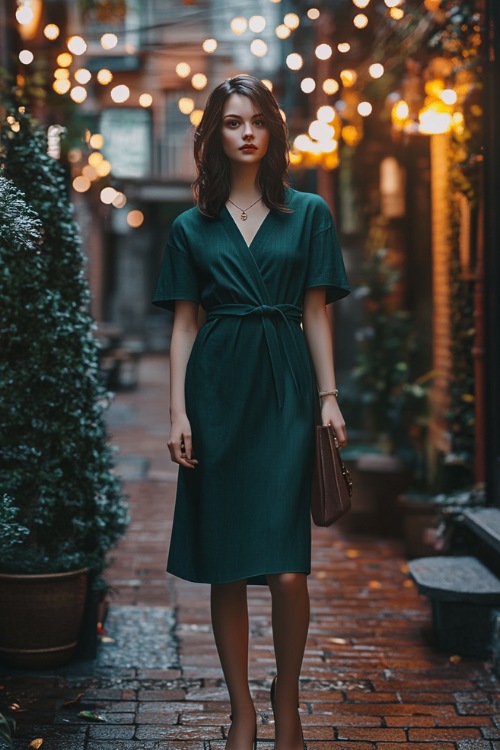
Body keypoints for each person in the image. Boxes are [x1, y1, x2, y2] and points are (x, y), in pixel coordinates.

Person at [153, 75, 350, 750]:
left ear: (272, 131)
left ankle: (285, 697)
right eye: (233, 122)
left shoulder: (309, 213)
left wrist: (328, 397)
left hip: (286, 390)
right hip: (215, 391)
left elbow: (317, 311)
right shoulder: (190, 226)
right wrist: (177, 412)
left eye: (257, 121)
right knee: (229, 562)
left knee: (289, 570)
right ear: (215, 135)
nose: (246, 132)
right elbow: (183, 326)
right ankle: (243, 710)